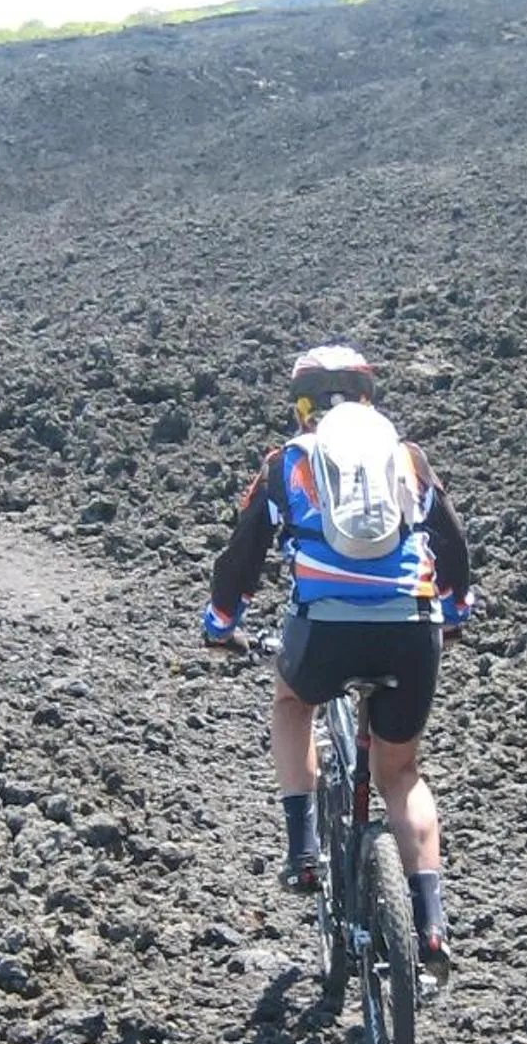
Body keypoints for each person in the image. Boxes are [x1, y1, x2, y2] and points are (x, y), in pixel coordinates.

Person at [202, 342, 471, 977]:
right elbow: (452, 545)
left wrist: (221, 625)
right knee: (400, 774)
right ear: (368, 399)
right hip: (412, 629)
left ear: (302, 407)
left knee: (292, 700)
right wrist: (454, 615)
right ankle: (431, 925)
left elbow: (242, 555)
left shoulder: (288, 463)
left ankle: (302, 851)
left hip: (322, 631)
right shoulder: (407, 458)